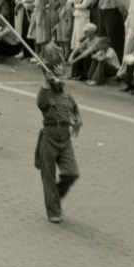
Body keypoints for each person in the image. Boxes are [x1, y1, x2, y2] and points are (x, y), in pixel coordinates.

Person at [34, 67, 81, 224]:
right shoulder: (46, 93)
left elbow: (75, 108)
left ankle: (55, 196)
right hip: (49, 139)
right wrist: (46, 83)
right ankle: (53, 210)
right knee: (48, 177)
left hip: (65, 139)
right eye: (57, 78)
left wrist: (78, 120)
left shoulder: (67, 94)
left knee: (72, 173)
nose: (61, 81)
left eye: (62, 77)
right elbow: (40, 104)